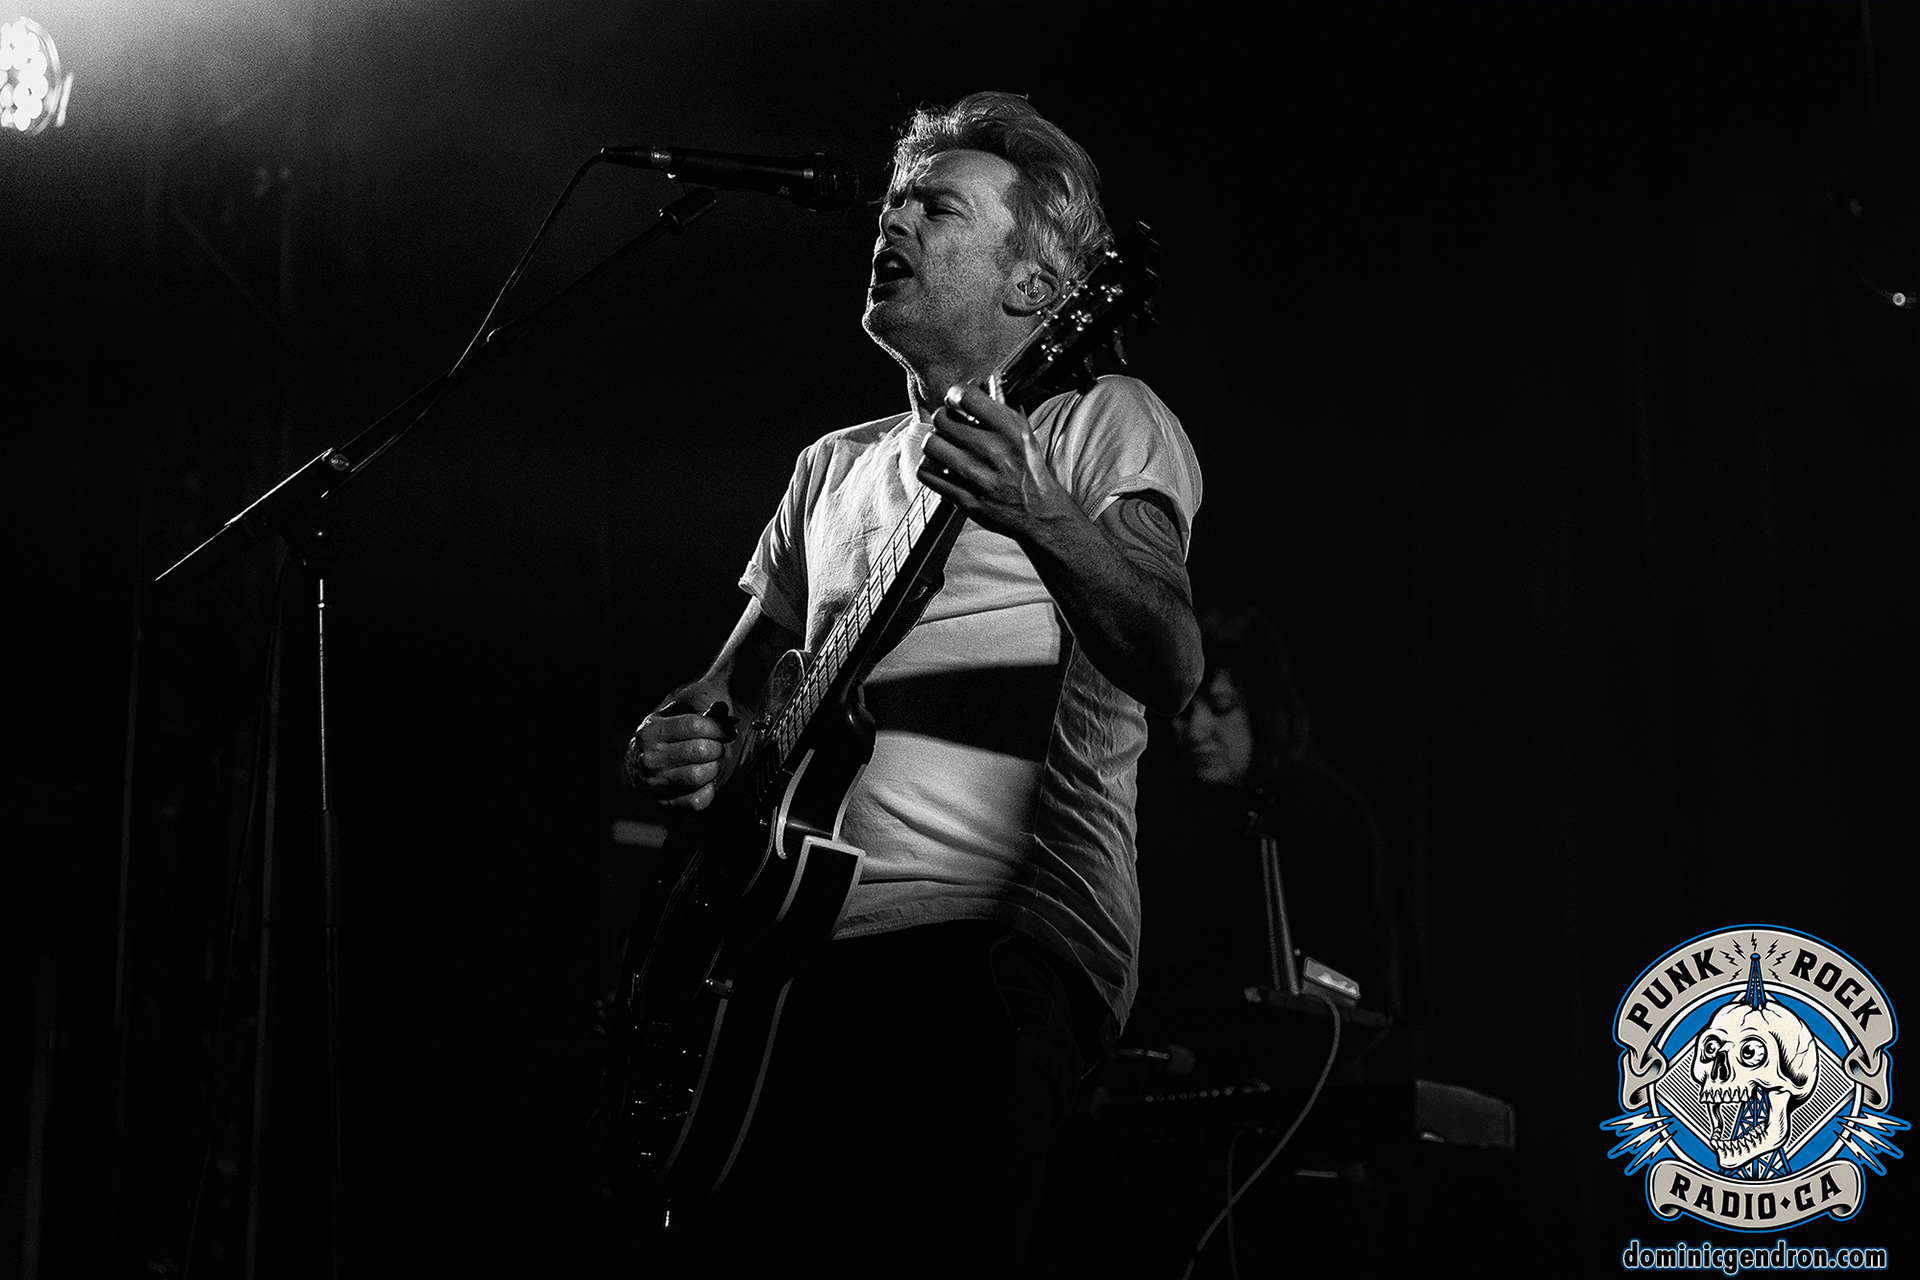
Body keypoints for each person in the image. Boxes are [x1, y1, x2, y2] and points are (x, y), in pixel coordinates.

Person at [623, 91, 1203, 1276]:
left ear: (1038, 287)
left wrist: (1039, 512)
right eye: (894, 202)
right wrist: (681, 736)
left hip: (990, 954)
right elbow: (729, 689)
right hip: (777, 963)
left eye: (938, 207)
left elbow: (1170, 655)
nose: (892, 221)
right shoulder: (830, 466)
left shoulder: (1101, 419)